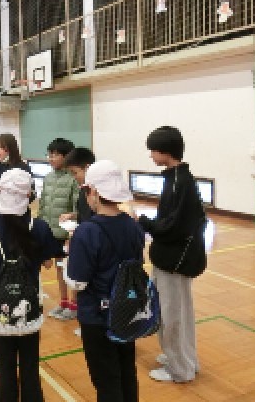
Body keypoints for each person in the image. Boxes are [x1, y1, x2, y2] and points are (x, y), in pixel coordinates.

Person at [0, 168, 57, 402]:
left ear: (0, 191)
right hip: (30, 305)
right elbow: (48, 263)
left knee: (5, 366)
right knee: (30, 364)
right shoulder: (39, 226)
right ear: (29, 195)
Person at [66, 160, 144, 401]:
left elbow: (77, 282)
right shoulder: (132, 225)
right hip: (127, 311)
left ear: (94, 192)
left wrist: (71, 252)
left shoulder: (86, 231)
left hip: (97, 317)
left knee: (106, 380)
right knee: (127, 372)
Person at [137, 126, 205, 383]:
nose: (151, 156)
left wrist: (144, 222)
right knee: (178, 312)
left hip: (174, 261)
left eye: (153, 151)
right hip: (174, 258)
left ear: (166, 151)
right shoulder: (177, 179)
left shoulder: (179, 182)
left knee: (172, 315)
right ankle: (186, 360)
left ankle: (180, 369)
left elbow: (174, 227)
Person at [37, 137, 79, 320]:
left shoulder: (73, 179)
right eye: (50, 154)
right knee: (59, 268)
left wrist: (72, 228)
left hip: (68, 234)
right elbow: (43, 205)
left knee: (73, 269)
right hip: (51, 232)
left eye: (55, 155)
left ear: (66, 156)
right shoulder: (48, 178)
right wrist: (40, 227)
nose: (51, 158)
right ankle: (63, 302)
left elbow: (79, 208)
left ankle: (74, 305)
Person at [62, 147, 97, 225]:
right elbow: (85, 215)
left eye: (75, 173)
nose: (74, 177)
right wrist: (73, 216)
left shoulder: (99, 192)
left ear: (87, 168)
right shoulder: (83, 189)